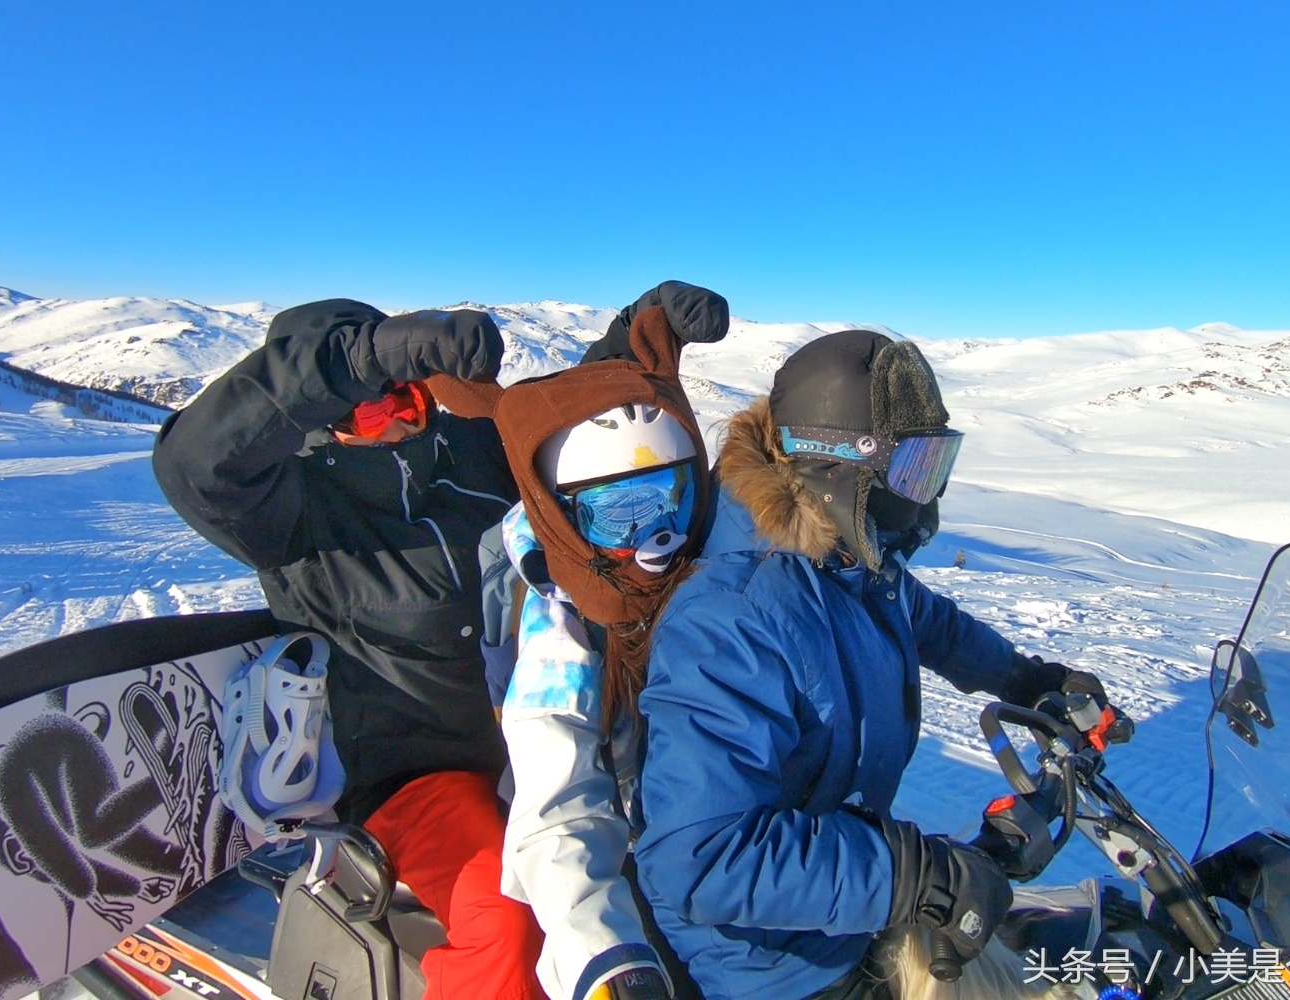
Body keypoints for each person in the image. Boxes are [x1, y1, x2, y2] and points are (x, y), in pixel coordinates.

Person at [631, 330, 1131, 1000]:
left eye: (936, 469)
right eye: (913, 471)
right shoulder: (732, 619)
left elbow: (935, 626)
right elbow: (701, 855)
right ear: (839, 466)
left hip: (851, 914)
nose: (926, 499)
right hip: (772, 966)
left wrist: (1029, 681)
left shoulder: (855, 565)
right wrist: (910, 876)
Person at [152, 299, 545, 1000]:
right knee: (506, 917)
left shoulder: (469, 455)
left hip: (544, 739)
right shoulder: (295, 511)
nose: (394, 422)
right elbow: (196, 464)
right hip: (417, 780)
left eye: (407, 400)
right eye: (366, 411)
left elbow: (562, 432)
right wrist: (367, 358)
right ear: (314, 425)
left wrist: (635, 343)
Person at [479, 282, 729, 1000]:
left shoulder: (705, 568)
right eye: (620, 514)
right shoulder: (561, 625)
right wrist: (601, 951)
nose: (660, 537)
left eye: (674, 497)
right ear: (566, 518)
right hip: (619, 851)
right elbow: (557, 798)